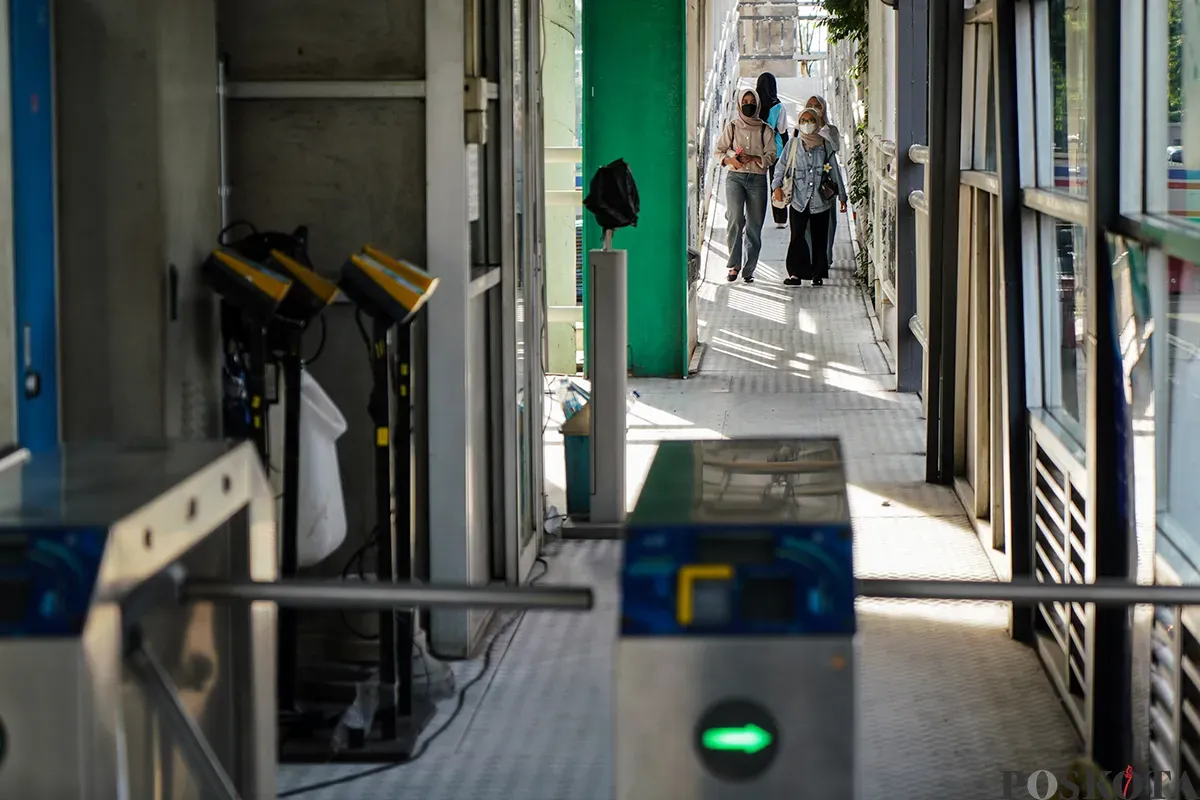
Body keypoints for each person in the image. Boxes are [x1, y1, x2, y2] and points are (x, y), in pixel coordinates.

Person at [772, 107, 847, 287]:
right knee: (797, 235)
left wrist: (842, 197)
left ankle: (817, 274)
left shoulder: (825, 145)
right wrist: (776, 186)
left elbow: (835, 171)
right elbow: (781, 167)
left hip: (821, 201)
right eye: (803, 121)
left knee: (819, 237)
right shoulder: (793, 144)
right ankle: (795, 274)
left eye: (810, 120)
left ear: (817, 122)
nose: (807, 124)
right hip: (798, 200)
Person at [714, 87, 777, 284]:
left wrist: (755, 158)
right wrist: (730, 160)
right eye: (745, 102)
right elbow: (718, 151)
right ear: (739, 104)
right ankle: (734, 265)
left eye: (752, 102)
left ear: (757, 104)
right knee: (735, 220)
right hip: (735, 178)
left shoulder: (765, 129)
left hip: (758, 180)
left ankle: (749, 269)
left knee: (754, 225)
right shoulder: (732, 127)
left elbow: (771, 155)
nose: (748, 105)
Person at [805, 95, 842, 264]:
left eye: (817, 106)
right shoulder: (802, 128)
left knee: (829, 222)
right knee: (807, 224)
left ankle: (826, 257)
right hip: (805, 181)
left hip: (826, 181)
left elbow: (834, 149)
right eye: (810, 105)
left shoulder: (830, 129)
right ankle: (811, 256)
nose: (814, 109)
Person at [757, 72, 790, 229]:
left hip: (756, 151)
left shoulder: (753, 105)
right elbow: (782, 130)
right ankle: (780, 218)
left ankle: (752, 218)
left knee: (755, 185)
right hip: (775, 150)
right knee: (777, 182)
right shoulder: (778, 107)